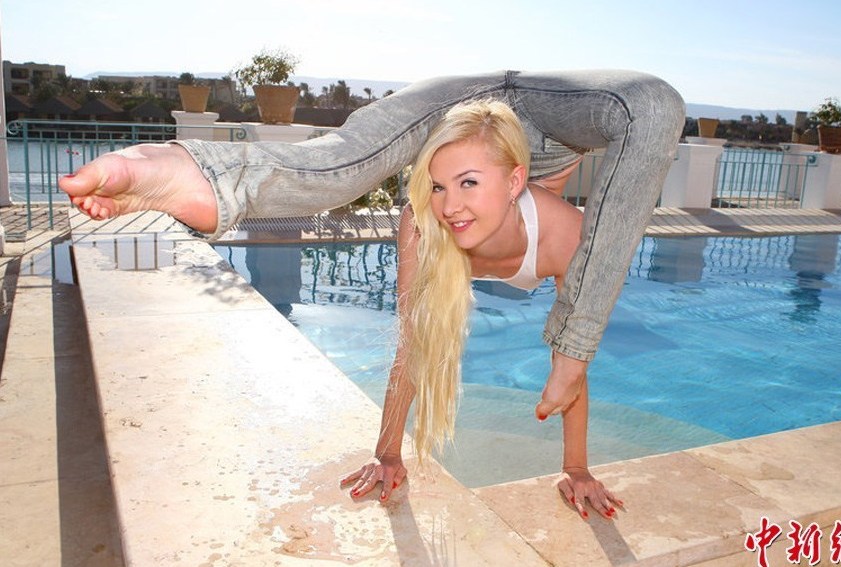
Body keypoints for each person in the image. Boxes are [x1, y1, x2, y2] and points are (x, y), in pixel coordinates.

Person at [60, 70, 685, 520]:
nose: (451, 206)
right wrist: (388, 454)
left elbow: (577, 361)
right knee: (348, 159)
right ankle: (189, 170)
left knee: (652, 104)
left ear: (515, 181)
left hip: (548, 119)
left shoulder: (567, 237)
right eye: (438, 187)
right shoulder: (428, 221)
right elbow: (411, 348)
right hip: (448, 110)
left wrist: (575, 467)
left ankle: (490, 168)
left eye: (467, 185)